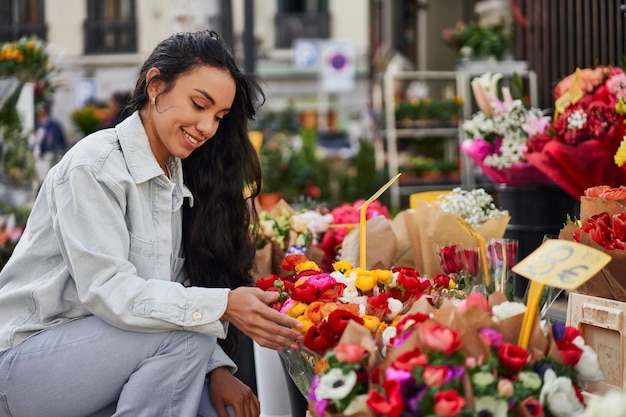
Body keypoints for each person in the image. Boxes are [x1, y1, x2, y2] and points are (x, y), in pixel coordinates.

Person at [0, 30, 303, 417]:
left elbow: (165, 296)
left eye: (219, 117)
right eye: (198, 105)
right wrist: (225, 304)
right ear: (156, 85)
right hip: (24, 365)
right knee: (187, 342)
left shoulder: (173, 176)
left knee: (216, 409)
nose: (208, 127)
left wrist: (217, 369)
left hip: (104, 358)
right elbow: (109, 291)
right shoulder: (94, 166)